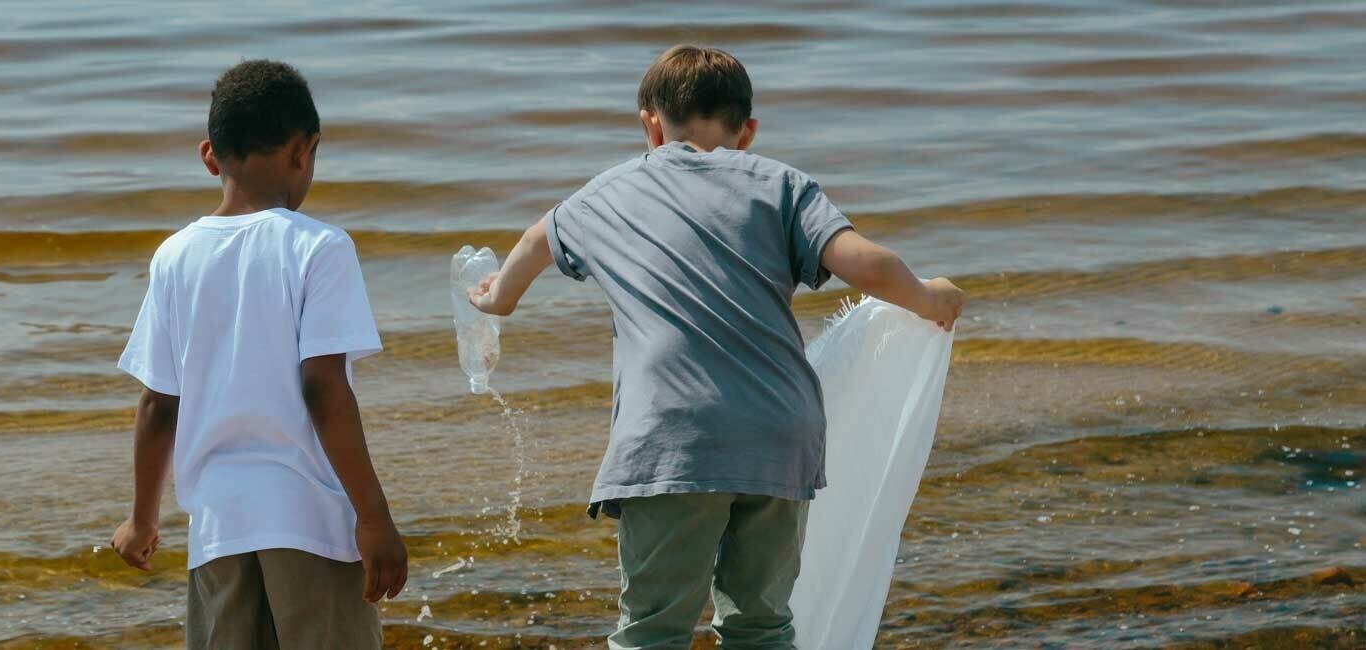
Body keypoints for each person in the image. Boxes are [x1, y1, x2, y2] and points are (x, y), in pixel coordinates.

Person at [468, 45, 966, 649]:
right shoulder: (782, 186)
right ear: (746, 131)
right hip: (779, 437)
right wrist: (929, 299)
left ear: (650, 124)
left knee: (652, 630)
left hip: (670, 441)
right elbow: (866, 264)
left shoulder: (604, 195)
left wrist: (498, 298)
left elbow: (535, 241)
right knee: (762, 625)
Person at [109, 59, 407, 650]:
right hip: (309, 522)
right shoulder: (320, 248)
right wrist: (375, 518)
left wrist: (142, 519)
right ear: (303, 151)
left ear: (209, 156)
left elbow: (158, 405)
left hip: (218, 529)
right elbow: (324, 389)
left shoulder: (174, 256)